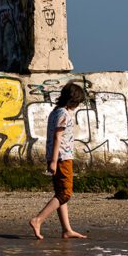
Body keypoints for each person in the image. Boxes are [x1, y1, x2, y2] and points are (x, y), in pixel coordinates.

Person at [29, 82, 87, 240]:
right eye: (77, 102)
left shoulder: (56, 111)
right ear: (72, 101)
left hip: (57, 156)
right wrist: (54, 161)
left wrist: (51, 159)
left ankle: (67, 230)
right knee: (65, 194)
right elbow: (57, 137)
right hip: (62, 157)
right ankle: (38, 219)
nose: (77, 105)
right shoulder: (63, 114)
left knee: (60, 193)